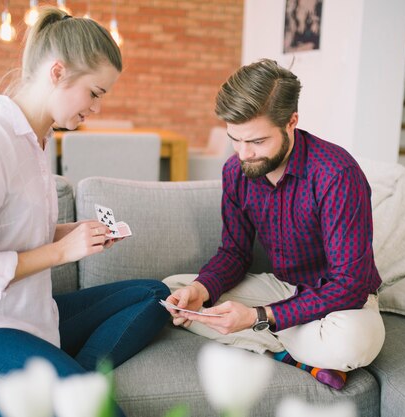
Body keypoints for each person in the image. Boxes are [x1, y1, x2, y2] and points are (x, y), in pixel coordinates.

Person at [0, 8, 169, 417]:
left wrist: (69, 233)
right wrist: (62, 253)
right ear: (57, 72)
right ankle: (70, 390)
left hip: (25, 315)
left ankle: (68, 378)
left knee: (156, 294)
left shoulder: (36, 141)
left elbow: (13, 231)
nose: (96, 109)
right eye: (95, 93)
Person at [164, 59, 385, 390]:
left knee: (351, 343)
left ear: (291, 122)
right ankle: (297, 355)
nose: (243, 154)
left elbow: (350, 284)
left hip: (340, 301)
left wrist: (258, 317)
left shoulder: (337, 174)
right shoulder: (235, 172)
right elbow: (235, 253)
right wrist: (200, 289)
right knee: (172, 293)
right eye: (235, 139)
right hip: (282, 288)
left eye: (256, 141)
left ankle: (270, 339)